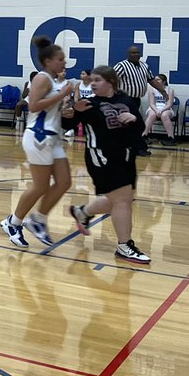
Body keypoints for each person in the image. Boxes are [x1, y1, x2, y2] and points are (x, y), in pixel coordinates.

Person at [67, 65, 150, 264]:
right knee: (122, 200)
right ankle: (124, 246)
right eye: (91, 80)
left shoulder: (126, 101)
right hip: (102, 158)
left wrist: (133, 120)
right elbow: (66, 125)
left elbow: (139, 127)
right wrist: (72, 111)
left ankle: (82, 212)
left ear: (110, 82)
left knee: (121, 199)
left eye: (97, 80)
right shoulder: (87, 104)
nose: (92, 83)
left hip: (126, 156)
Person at [0, 37, 76, 248]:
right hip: (38, 137)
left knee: (64, 181)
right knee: (40, 186)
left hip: (53, 136)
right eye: (61, 59)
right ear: (48, 61)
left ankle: (38, 219)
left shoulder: (54, 81)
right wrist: (62, 95)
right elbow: (33, 106)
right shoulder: (42, 78)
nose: (64, 63)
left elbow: (49, 109)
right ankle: (13, 222)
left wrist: (65, 109)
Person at [113, 45, 155, 155]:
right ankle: (140, 148)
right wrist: (114, 93)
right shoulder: (122, 65)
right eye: (133, 52)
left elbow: (151, 80)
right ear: (128, 54)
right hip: (125, 100)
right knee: (137, 123)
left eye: (138, 52)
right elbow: (112, 78)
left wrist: (164, 92)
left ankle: (131, 146)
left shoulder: (144, 66)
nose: (136, 54)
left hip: (136, 99)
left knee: (132, 124)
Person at [142, 74, 176, 144]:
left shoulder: (170, 90)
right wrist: (157, 110)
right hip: (154, 108)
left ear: (163, 82)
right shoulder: (152, 89)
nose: (156, 81)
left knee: (164, 115)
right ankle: (144, 136)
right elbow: (151, 104)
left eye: (158, 79)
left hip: (166, 108)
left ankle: (171, 138)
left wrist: (161, 110)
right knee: (152, 114)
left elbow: (169, 104)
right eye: (155, 79)